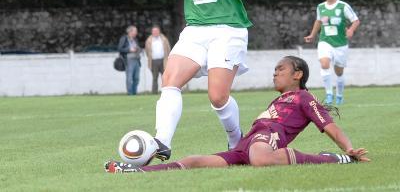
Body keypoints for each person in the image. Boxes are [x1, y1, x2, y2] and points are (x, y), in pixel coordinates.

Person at [111, 0, 270, 160]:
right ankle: (162, 141)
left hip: (228, 30)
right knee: (170, 81)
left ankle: (236, 141)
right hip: (195, 30)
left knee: (218, 97)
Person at [104, 56, 369, 173]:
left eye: (281, 69)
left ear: (297, 75)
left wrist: (348, 149)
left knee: (261, 159)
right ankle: (140, 172)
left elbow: (328, 124)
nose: (275, 73)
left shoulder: (304, 97)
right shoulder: (279, 98)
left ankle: (329, 160)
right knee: (195, 160)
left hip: (267, 137)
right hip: (248, 142)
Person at [304, 0, 360, 105]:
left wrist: (350, 30)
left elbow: (356, 20)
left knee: (339, 72)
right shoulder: (321, 7)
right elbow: (318, 21)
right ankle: (329, 94)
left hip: (340, 44)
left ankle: (339, 95)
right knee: (324, 64)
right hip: (325, 41)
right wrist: (312, 35)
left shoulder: (343, 6)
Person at [145, 25, 171, 93]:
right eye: (154, 31)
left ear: (159, 31)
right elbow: (147, 51)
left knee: (165, 77)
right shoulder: (148, 40)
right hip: (153, 61)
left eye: (156, 31)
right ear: (152, 32)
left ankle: (167, 91)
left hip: (163, 61)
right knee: (155, 78)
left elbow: (168, 49)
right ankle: (154, 92)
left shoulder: (164, 39)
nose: (155, 32)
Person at [118, 25, 142, 95]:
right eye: (135, 31)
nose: (136, 33)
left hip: (137, 60)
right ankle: (130, 93)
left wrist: (139, 49)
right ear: (130, 32)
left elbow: (138, 48)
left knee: (136, 78)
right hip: (128, 61)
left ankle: (134, 92)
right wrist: (129, 50)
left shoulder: (135, 39)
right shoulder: (124, 39)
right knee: (129, 78)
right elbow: (120, 49)